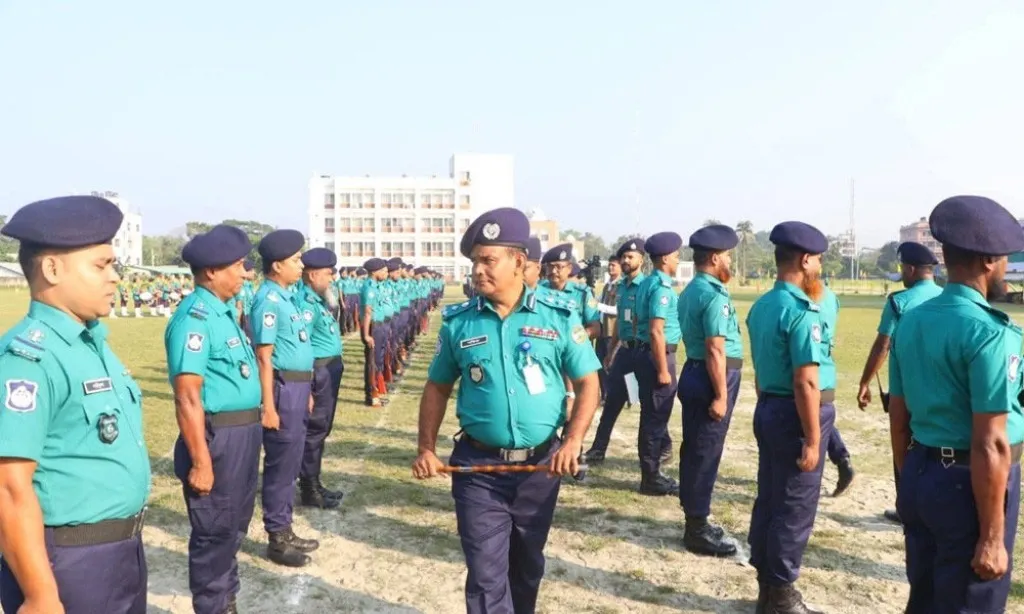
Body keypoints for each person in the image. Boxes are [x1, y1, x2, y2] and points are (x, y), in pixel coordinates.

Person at [412, 207, 601, 614]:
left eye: (488, 260)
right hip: (478, 469)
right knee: (485, 574)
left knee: (527, 565)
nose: (478, 270)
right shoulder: (459, 324)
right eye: (475, 261)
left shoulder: (557, 315)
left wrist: (573, 442)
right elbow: (437, 387)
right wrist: (426, 447)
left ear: (519, 262)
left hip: (540, 468)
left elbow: (589, 383)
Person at [0, 195, 151, 614]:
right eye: (101, 265)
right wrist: (40, 594)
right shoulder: (28, 360)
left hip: (121, 551)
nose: (115, 277)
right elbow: (9, 488)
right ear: (52, 269)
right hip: (68, 563)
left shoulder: (90, 344)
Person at [888, 195, 1024, 614]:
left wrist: (906, 481)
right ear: (987, 261)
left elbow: (898, 414)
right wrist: (990, 536)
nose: (1005, 267)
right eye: (1003, 258)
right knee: (972, 600)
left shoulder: (911, 320)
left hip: (921, 472)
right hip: (972, 485)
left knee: (926, 596)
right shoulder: (991, 333)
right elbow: (991, 443)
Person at [166, 225, 260, 614]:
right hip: (218, 439)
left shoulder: (222, 313)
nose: (244, 273)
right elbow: (188, 395)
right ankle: (212, 604)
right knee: (214, 529)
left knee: (234, 524)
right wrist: (201, 461)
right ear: (211, 272)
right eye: (237, 266)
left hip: (242, 434)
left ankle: (226, 599)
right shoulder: (195, 318)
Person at [746, 221, 832, 614]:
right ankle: (781, 594)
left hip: (768, 407)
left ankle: (767, 588)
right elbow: (806, 383)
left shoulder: (763, 305)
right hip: (795, 413)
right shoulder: (803, 310)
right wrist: (814, 439)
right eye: (817, 261)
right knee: (795, 506)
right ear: (805, 259)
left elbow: (764, 369)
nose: (818, 268)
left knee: (771, 497)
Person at [855, 241, 942, 524]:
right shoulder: (944, 297)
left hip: (905, 392)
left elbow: (883, 345)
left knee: (903, 443)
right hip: (938, 390)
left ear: (912, 269)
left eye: (903, 267)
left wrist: (865, 382)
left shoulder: (899, 301)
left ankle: (907, 507)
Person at [249, 229, 319, 567]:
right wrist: (270, 405)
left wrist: (304, 390)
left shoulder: (288, 297)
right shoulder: (268, 300)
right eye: (295, 260)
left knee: (291, 462)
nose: (300, 264)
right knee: (280, 465)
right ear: (277, 265)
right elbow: (264, 356)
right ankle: (277, 537)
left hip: (297, 388)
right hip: (282, 390)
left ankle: (285, 526)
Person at [676, 224, 742, 557]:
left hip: (694, 370)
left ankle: (694, 515)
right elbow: (715, 348)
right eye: (728, 256)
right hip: (711, 374)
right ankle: (697, 528)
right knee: (705, 451)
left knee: (695, 447)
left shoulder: (690, 290)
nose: (730, 262)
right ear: (715, 258)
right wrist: (721, 394)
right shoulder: (713, 294)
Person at [585, 239, 646, 464]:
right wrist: (611, 352)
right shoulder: (621, 287)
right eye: (624, 257)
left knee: (647, 404)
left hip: (643, 352)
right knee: (612, 403)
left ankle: (662, 447)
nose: (626, 261)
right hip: (624, 352)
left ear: (642, 259)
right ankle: (598, 449)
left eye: (631, 257)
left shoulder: (647, 286)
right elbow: (621, 321)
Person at [633, 232, 682, 495]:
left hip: (645, 353)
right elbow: (656, 330)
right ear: (664, 258)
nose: (678, 259)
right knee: (655, 417)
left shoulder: (645, 283)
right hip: (657, 355)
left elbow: (634, 321)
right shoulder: (661, 288)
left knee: (650, 416)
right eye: (675, 255)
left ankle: (651, 472)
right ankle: (650, 478)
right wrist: (663, 369)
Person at [297, 248, 345, 509]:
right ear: (313, 275)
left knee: (322, 428)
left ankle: (314, 481)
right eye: (328, 273)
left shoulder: (317, 301)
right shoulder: (306, 304)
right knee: (315, 430)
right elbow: (301, 346)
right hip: (319, 371)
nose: (332, 278)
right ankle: (308, 487)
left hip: (330, 368)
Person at [817, 286, 857, 498]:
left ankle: (840, 462)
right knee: (821, 417)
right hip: (825, 366)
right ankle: (842, 461)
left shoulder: (802, 294)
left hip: (808, 364)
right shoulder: (831, 296)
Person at [360, 258, 390, 407]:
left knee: (378, 360)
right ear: (375, 271)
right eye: (383, 270)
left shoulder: (376, 285)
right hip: (372, 326)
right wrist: (366, 335)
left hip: (380, 325)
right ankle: (371, 395)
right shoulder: (369, 287)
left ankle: (376, 390)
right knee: (372, 362)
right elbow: (367, 312)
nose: (386, 273)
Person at [595, 255, 622, 402]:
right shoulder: (607, 285)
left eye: (614, 265)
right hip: (602, 330)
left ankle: (615, 395)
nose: (611, 268)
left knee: (612, 364)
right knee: (599, 363)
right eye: (609, 265)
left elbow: (619, 310)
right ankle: (604, 394)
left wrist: (600, 306)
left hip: (613, 331)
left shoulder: (621, 285)